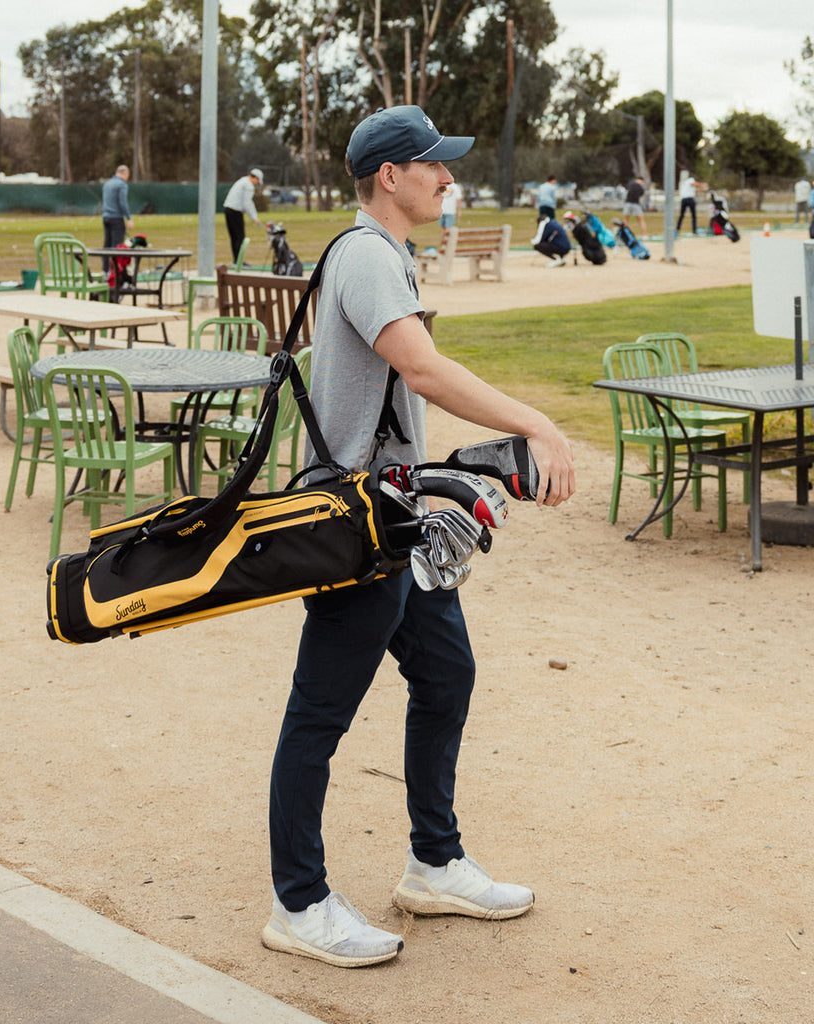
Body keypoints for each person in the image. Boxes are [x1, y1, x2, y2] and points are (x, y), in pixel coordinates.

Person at [262, 104, 575, 969]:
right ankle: (297, 902)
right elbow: (423, 369)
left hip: (398, 516)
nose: (448, 177)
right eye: (434, 165)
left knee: (446, 675)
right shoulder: (367, 253)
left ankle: (433, 863)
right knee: (319, 715)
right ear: (390, 177)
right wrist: (537, 422)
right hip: (356, 525)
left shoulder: (384, 254)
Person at [223, 168, 264, 263]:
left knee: (234, 237)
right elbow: (247, 203)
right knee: (240, 237)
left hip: (228, 210)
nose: (256, 183)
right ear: (255, 178)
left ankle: (236, 261)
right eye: (257, 181)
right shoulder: (248, 186)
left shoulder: (242, 180)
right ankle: (239, 261)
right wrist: (254, 217)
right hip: (235, 212)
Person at [101, 165, 134, 274]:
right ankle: (116, 273)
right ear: (125, 174)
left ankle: (105, 270)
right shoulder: (121, 185)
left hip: (106, 217)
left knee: (107, 245)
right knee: (117, 247)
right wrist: (129, 218)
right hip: (116, 218)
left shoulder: (107, 184)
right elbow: (123, 203)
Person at [676, 170, 706, 235]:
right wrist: (703, 185)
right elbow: (695, 184)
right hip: (689, 199)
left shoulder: (681, 183)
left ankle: (677, 230)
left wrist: (701, 188)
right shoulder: (689, 180)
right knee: (693, 216)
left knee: (681, 215)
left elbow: (693, 190)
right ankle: (694, 230)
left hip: (684, 200)